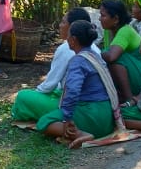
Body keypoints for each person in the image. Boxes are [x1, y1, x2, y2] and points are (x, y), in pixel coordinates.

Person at [37, 20, 122, 148]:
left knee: (44, 122)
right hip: (107, 119)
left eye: (68, 35)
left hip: (91, 116)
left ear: (73, 40)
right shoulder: (96, 56)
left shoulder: (78, 61)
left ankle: (81, 134)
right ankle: (82, 130)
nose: (67, 38)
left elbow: (72, 90)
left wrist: (67, 118)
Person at [11, 7, 94, 122]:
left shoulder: (66, 48)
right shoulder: (94, 48)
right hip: (95, 105)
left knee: (23, 96)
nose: (60, 25)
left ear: (73, 27)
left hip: (77, 108)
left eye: (63, 22)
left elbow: (49, 85)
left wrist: (36, 94)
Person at [98, 0, 141, 103]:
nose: (99, 19)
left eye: (103, 16)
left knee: (117, 58)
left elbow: (111, 57)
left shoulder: (125, 31)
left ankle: (128, 99)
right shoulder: (108, 31)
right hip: (132, 74)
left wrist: (95, 53)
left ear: (116, 19)